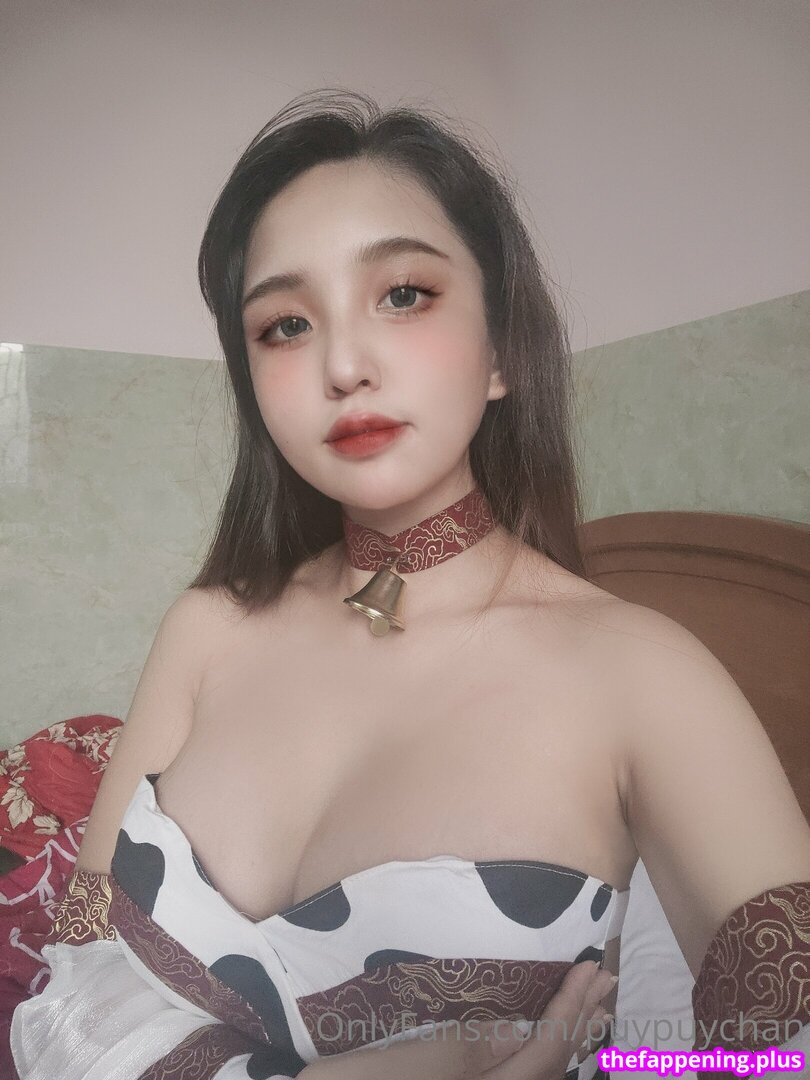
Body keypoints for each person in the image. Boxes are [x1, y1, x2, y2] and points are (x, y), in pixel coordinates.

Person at [10, 88, 810, 1080]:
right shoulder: (206, 629)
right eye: (286, 325)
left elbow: (786, 1057)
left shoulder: (643, 674)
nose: (344, 364)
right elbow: (75, 984)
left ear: (502, 351)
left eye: (402, 295)